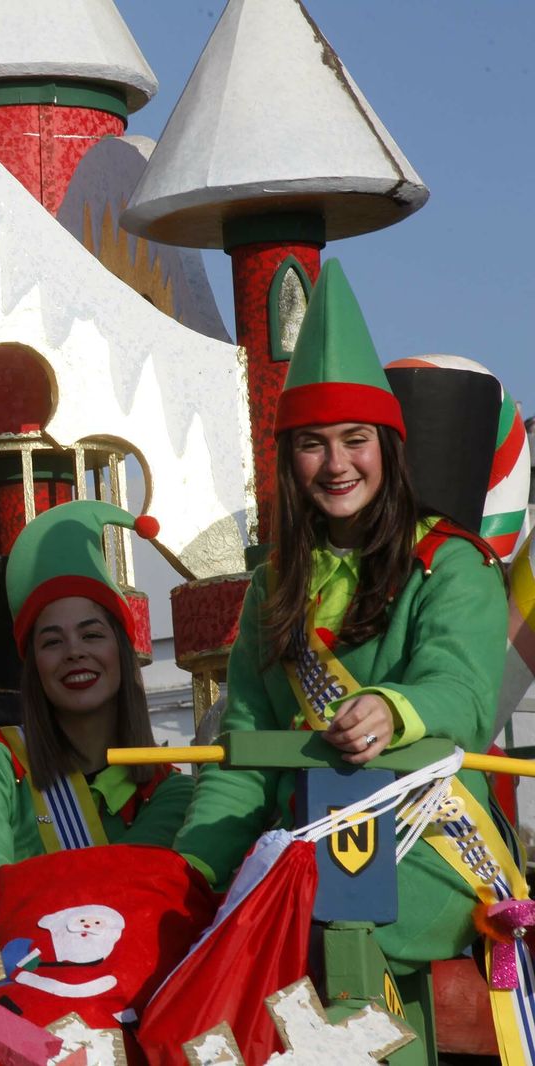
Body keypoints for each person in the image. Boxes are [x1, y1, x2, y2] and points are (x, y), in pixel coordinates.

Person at [172, 262, 509, 981]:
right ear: (289, 460)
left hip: (433, 842)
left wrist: (392, 710)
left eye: (355, 438)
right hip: (302, 840)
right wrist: (190, 871)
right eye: (311, 443)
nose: (335, 463)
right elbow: (244, 759)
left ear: (387, 447)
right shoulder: (271, 590)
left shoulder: (454, 565)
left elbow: (465, 695)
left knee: (304, 917)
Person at [0, 500, 193, 893]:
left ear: (122, 653)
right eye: (52, 641)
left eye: (92, 635)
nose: (74, 652)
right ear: (33, 666)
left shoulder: (169, 793)